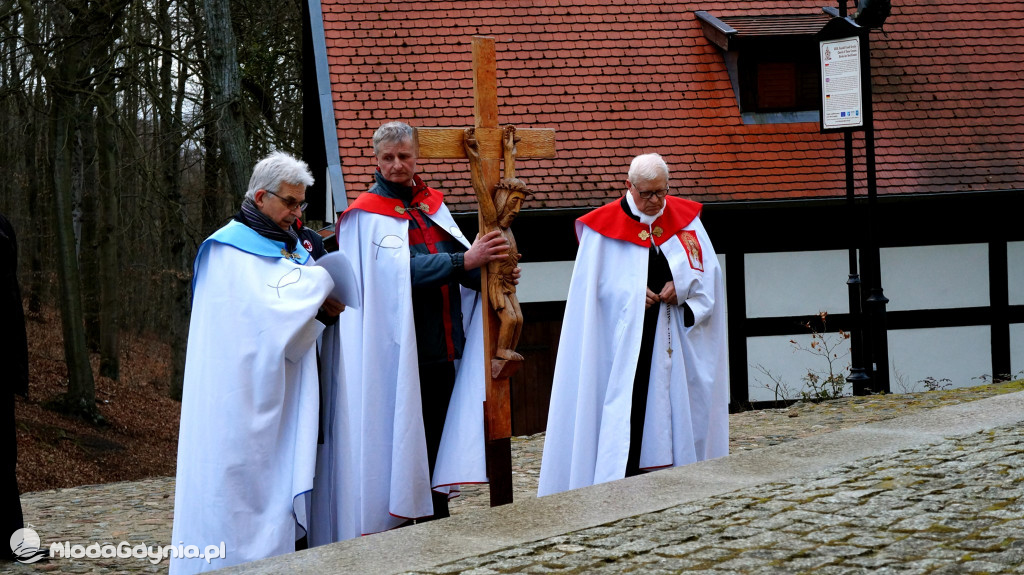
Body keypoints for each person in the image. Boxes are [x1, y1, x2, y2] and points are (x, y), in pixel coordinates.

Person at [310, 121, 509, 542]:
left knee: (436, 441)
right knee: (404, 441)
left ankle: (436, 521)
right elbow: (396, 274)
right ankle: (403, 524)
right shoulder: (364, 215)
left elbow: (463, 263)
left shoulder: (433, 207)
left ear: (416, 157)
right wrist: (464, 262)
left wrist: (492, 271)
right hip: (399, 353)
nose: (397, 164)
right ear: (376, 159)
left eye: (404, 156)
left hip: (444, 346)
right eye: (388, 157)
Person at [170, 152, 342, 574]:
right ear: (261, 197)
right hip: (236, 399)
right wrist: (319, 286)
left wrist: (322, 311)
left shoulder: (293, 247)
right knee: (232, 492)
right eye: (290, 202)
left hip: (284, 392)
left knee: (277, 490)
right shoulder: (226, 251)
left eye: (301, 203)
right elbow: (255, 324)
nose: (297, 213)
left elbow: (288, 336)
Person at [537, 153, 729, 496]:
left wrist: (682, 287)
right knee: (630, 403)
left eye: (661, 191)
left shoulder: (684, 219)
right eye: (647, 193)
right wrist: (629, 295)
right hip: (622, 341)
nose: (655, 201)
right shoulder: (602, 228)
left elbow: (707, 274)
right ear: (628, 186)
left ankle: (673, 477)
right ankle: (621, 479)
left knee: (673, 405)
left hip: (671, 334)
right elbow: (590, 293)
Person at [1, 213, 29, 561]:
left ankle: (10, 539)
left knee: (5, 455)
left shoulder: (4, 226)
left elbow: (10, 298)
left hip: (3, 363)